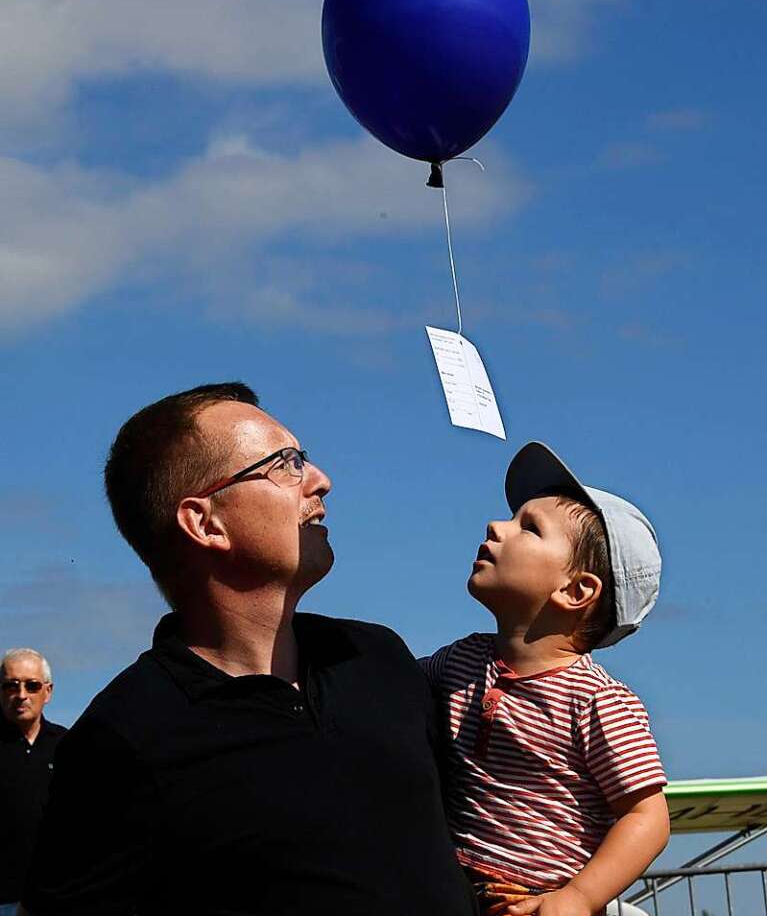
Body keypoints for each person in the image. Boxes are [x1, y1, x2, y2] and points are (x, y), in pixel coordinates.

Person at [22, 382, 477, 916]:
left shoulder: (376, 656)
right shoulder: (126, 734)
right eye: (286, 464)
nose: (321, 481)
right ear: (204, 522)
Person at [421, 442, 670, 916]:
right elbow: (384, 686)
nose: (496, 526)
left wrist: (578, 898)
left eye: (528, 528)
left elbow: (647, 816)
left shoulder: (597, 700)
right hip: (454, 890)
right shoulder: (461, 660)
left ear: (575, 590)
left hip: (536, 901)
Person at [0, 649, 66, 916]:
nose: (22, 694)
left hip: (54, 900)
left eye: (32, 685)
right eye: (11, 685)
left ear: (47, 692)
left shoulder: (67, 747)